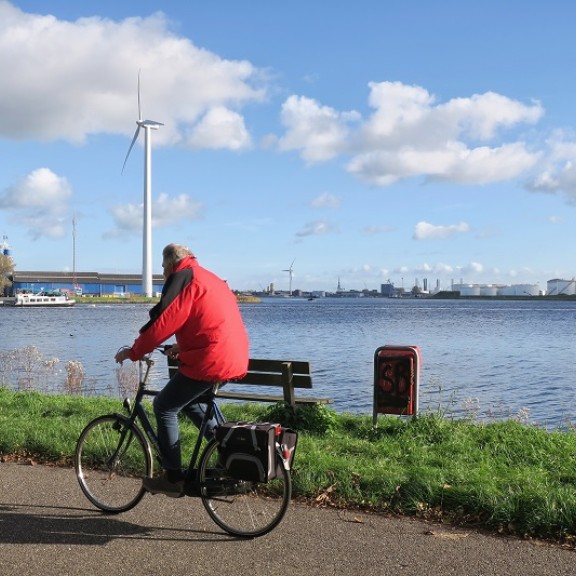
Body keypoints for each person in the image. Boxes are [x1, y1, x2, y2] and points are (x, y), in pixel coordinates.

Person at [115, 243, 249, 497]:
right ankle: (225, 448)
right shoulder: (210, 278)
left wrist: (134, 352)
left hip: (211, 359)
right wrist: (181, 345)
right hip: (233, 356)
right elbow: (207, 320)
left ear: (173, 262)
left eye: (164, 267)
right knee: (188, 402)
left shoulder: (183, 278)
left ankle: (173, 477)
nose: (163, 273)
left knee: (164, 406)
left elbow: (163, 323)